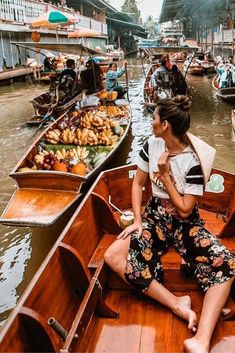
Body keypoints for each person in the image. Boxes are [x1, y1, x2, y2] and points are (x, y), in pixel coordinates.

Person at [104, 95, 235, 353]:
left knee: (227, 261)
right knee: (113, 255)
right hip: (155, 218)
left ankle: (201, 339)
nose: (151, 120)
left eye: (154, 117)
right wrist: (139, 222)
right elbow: (138, 183)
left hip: (185, 224)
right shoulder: (152, 144)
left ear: (165, 125)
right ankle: (177, 303)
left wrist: (165, 174)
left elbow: (186, 210)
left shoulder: (192, 161)